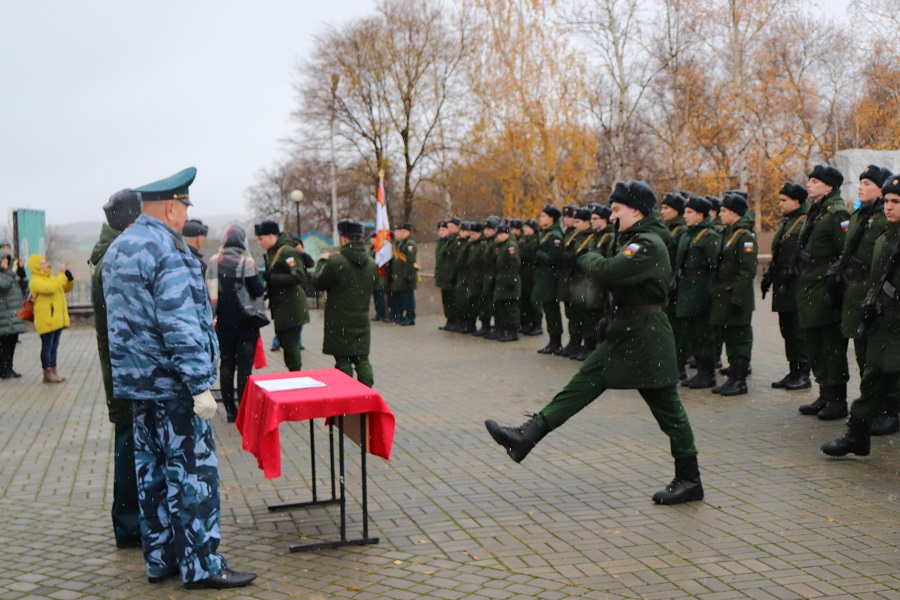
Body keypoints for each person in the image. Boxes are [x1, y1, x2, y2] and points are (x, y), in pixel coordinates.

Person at [486, 181, 703, 505]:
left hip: (646, 337)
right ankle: (526, 436)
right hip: (626, 332)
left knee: (669, 409)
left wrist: (588, 257)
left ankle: (689, 479)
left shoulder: (648, 243)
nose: (612, 216)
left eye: (617, 210)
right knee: (581, 385)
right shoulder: (635, 239)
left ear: (637, 211)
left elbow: (610, 271)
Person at [103, 167, 255, 589]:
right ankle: (202, 565)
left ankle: (161, 560)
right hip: (174, 388)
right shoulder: (167, 250)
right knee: (193, 477)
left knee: (151, 476)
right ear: (171, 207)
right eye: (184, 205)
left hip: (139, 387)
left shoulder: (120, 248)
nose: (184, 212)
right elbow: (179, 324)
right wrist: (198, 385)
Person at [821, 175, 900, 457]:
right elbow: (876, 281)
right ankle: (857, 435)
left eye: (896, 202)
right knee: (873, 379)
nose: (889, 207)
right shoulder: (884, 237)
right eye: (888, 201)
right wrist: (869, 306)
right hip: (883, 324)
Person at [89, 188, 142, 548]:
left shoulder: (109, 251)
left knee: (130, 444)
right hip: (124, 371)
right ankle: (128, 527)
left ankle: (131, 524)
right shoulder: (113, 258)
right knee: (127, 446)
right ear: (131, 221)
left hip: (123, 369)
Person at [794, 164, 851, 420]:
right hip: (809, 287)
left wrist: (833, 279)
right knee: (814, 343)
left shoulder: (837, 213)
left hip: (825, 289)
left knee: (831, 345)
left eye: (815, 181)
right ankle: (825, 394)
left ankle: (837, 400)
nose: (809, 184)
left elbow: (845, 252)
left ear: (829, 186)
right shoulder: (816, 211)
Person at [207, 225, 266, 423]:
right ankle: (243, 408)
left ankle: (230, 411)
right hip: (246, 323)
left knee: (226, 366)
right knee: (244, 368)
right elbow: (257, 290)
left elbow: (209, 289)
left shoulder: (214, 261)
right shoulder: (247, 261)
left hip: (223, 322)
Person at [311, 219, 377, 386]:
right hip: (361, 318)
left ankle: (346, 395)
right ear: (361, 238)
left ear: (344, 238)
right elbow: (378, 285)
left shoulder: (335, 262)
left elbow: (318, 282)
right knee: (362, 360)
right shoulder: (371, 263)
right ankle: (367, 396)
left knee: (342, 360)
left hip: (338, 319)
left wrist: (321, 261)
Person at [762, 182, 811, 390]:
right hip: (783, 282)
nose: (780, 204)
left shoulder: (805, 221)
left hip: (796, 282)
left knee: (798, 330)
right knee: (787, 329)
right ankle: (793, 370)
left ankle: (803, 373)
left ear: (796, 201)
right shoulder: (787, 221)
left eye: (784, 200)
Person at [708, 191, 757, 395]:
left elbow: (747, 271)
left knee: (739, 338)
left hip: (736, 296)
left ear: (735, 213)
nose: (720, 214)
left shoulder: (744, 236)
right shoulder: (729, 232)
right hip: (724, 295)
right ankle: (734, 376)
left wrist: (738, 299)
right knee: (729, 336)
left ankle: (739, 379)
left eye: (724, 211)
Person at [676, 196, 721, 389]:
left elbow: (715, 266)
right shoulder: (687, 234)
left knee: (703, 333)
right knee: (691, 331)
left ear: (700, 215)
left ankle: (707, 373)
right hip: (687, 287)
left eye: (689, 212)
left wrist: (710, 292)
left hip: (701, 289)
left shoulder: (709, 236)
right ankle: (700, 371)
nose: (684, 216)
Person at [255, 220, 309, 371]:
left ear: (271, 236)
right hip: (282, 306)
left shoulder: (287, 252)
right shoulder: (274, 251)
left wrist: (272, 278)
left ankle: (296, 377)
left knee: (291, 346)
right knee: (286, 345)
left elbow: (298, 275)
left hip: (291, 306)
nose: (259, 243)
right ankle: (293, 375)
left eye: (261, 239)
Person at [28, 253, 73, 383]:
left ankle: (54, 371)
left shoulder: (51, 278)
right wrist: (61, 274)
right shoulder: (36, 280)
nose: (45, 265)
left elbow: (63, 288)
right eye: (42, 263)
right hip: (46, 319)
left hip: (56, 320)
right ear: (36, 266)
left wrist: (69, 279)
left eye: (45, 262)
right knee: (47, 346)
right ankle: (47, 372)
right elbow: (51, 288)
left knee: (54, 347)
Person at [534, 205, 565, 354]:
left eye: (543, 216)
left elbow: (555, 258)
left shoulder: (555, 235)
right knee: (548, 308)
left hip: (550, 277)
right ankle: (553, 340)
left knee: (552, 309)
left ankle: (556, 341)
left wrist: (539, 253)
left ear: (551, 218)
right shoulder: (546, 233)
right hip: (544, 276)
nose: (541, 219)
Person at [492, 223, 521, 342]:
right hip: (502, 280)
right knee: (502, 307)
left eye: (501, 234)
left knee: (511, 308)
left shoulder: (510, 246)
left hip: (509, 280)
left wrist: (512, 280)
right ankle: (505, 330)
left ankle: (513, 331)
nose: (499, 236)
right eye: (497, 234)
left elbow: (514, 264)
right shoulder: (501, 245)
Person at [391, 223, 418, 326]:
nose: (400, 234)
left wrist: (408, 276)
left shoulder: (410, 244)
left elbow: (410, 262)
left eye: (403, 231)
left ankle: (410, 317)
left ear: (408, 232)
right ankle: (403, 316)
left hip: (407, 276)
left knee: (408, 298)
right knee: (402, 298)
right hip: (401, 275)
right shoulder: (401, 244)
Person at [369, 232, 388, 322]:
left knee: (380, 296)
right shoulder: (373, 249)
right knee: (376, 296)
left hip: (379, 275)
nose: (370, 240)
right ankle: (378, 314)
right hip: (374, 276)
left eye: (372, 238)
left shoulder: (379, 249)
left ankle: (382, 314)